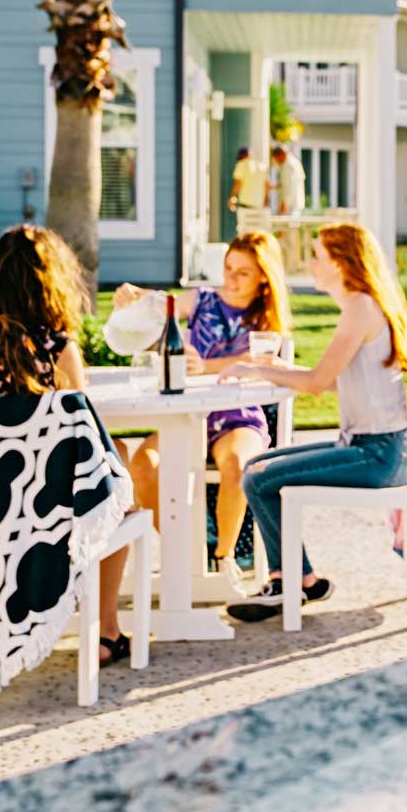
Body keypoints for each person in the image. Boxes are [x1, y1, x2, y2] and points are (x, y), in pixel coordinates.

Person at [0, 225, 135, 664]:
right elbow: (79, 431)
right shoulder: (56, 348)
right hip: (44, 512)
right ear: (52, 282)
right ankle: (105, 631)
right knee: (116, 473)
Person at [217, 221, 407, 622]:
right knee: (257, 466)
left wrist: (261, 372)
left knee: (258, 477)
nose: (310, 263)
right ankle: (301, 579)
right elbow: (336, 380)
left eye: (317, 255)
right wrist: (278, 367)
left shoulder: (360, 308)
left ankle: (286, 581)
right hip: (376, 447)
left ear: (341, 262)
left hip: (377, 454)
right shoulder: (361, 306)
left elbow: (314, 384)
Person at [110, 231, 291, 590]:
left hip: (238, 418)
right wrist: (134, 295)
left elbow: (263, 360)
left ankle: (223, 561)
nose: (231, 278)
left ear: (264, 279)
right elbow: (161, 303)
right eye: (228, 268)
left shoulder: (266, 321)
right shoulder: (205, 299)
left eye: (243, 272)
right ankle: (185, 555)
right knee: (143, 465)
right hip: (189, 417)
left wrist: (207, 366)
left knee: (237, 465)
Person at [229, 146, 268, 226]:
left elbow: (238, 183)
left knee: (244, 230)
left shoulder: (241, 165)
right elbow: (267, 186)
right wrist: (265, 202)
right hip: (259, 205)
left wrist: (232, 197)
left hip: (245, 205)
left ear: (242, 156)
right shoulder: (262, 167)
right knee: (256, 231)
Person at [271, 143, 305, 218]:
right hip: (292, 204)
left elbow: (289, 185)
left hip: (290, 206)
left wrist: (285, 203)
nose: (276, 161)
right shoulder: (290, 162)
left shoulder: (289, 165)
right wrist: (274, 186)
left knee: (288, 228)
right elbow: (285, 183)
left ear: (281, 154)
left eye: (276, 158)